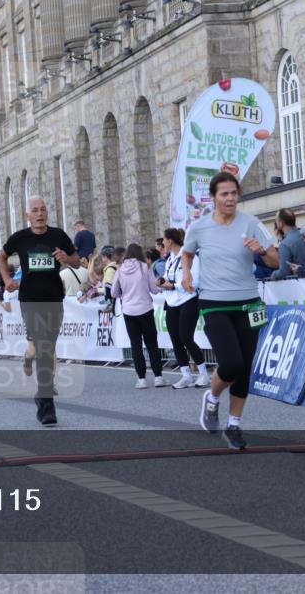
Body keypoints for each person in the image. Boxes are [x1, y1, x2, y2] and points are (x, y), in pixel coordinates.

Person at [182, 172, 278, 450]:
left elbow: (275, 259)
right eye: (224, 194)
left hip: (248, 302)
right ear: (213, 198)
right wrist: (187, 273)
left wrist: (260, 250)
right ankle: (212, 400)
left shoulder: (252, 223)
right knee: (232, 363)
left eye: (234, 193)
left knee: (245, 368)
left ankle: (234, 425)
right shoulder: (199, 227)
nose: (230, 199)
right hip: (214, 303)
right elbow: (187, 252)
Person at [0, 195, 79, 426]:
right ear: (28, 215)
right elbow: (2, 256)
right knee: (43, 348)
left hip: (54, 299)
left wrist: (67, 258)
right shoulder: (20, 238)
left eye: (43, 209)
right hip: (30, 300)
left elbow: (77, 261)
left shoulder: (58, 235)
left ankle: (42, 397)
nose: (40, 213)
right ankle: (47, 406)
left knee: (48, 348)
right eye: (35, 210)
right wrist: (6, 279)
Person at [159, 228, 210, 389]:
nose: (162, 243)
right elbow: (169, 276)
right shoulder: (170, 259)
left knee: (186, 337)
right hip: (171, 302)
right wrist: (161, 281)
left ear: (170, 240)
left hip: (188, 300)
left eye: (164, 240)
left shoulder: (189, 256)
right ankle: (186, 375)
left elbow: (193, 283)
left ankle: (203, 373)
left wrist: (172, 286)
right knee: (175, 339)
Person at [111, 243, 166, 389]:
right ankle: (158, 377)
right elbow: (154, 289)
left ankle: (141, 378)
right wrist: (160, 288)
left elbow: (114, 293)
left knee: (135, 345)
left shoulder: (120, 269)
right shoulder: (144, 267)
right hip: (145, 308)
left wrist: (124, 294)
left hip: (129, 311)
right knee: (151, 344)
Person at [271, 208, 305, 280]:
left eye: (276, 220)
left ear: (281, 223)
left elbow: (284, 272)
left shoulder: (285, 244)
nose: (276, 223)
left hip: (300, 284)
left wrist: (273, 275)